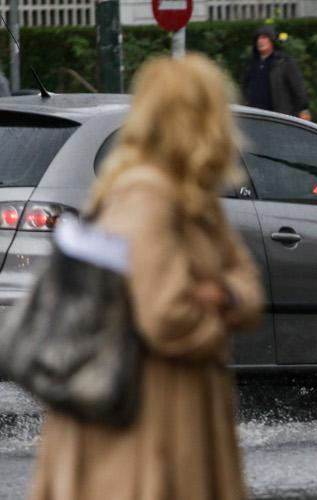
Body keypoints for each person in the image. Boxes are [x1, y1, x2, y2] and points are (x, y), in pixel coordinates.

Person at [30, 54, 263, 500]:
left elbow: (247, 285)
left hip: (163, 407)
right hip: (149, 415)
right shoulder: (147, 195)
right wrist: (218, 308)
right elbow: (165, 315)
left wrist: (222, 294)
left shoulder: (192, 200)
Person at [243, 25, 311, 121]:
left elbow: (297, 86)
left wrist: (303, 109)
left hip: (278, 116)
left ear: (272, 40)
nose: (260, 41)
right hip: (254, 115)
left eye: (264, 38)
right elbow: (245, 87)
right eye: (258, 38)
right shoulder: (251, 63)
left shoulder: (283, 62)